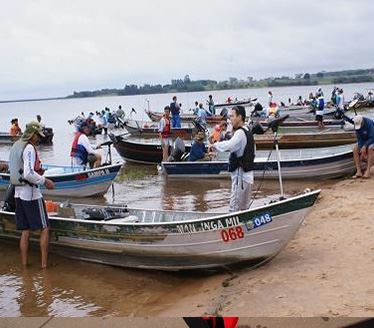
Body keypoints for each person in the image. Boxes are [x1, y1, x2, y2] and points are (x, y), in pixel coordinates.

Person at [9, 122, 55, 268]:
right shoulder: (29, 148)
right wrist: (44, 180)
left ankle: (24, 265)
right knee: (45, 227)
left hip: (18, 192)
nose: (39, 139)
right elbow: (28, 173)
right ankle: (44, 265)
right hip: (31, 193)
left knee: (25, 230)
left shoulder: (17, 145)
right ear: (32, 135)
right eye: (38, 136)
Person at [210, 106, 255, 212]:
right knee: (244, 209)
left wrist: (215, 145)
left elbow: (229, 145)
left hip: (240, 178)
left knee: (234, 209)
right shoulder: (248, 130)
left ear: (240, 117)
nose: (230, 119)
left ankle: (232, 227)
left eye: (233, 116)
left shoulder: (240, 133)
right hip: (248, 177)